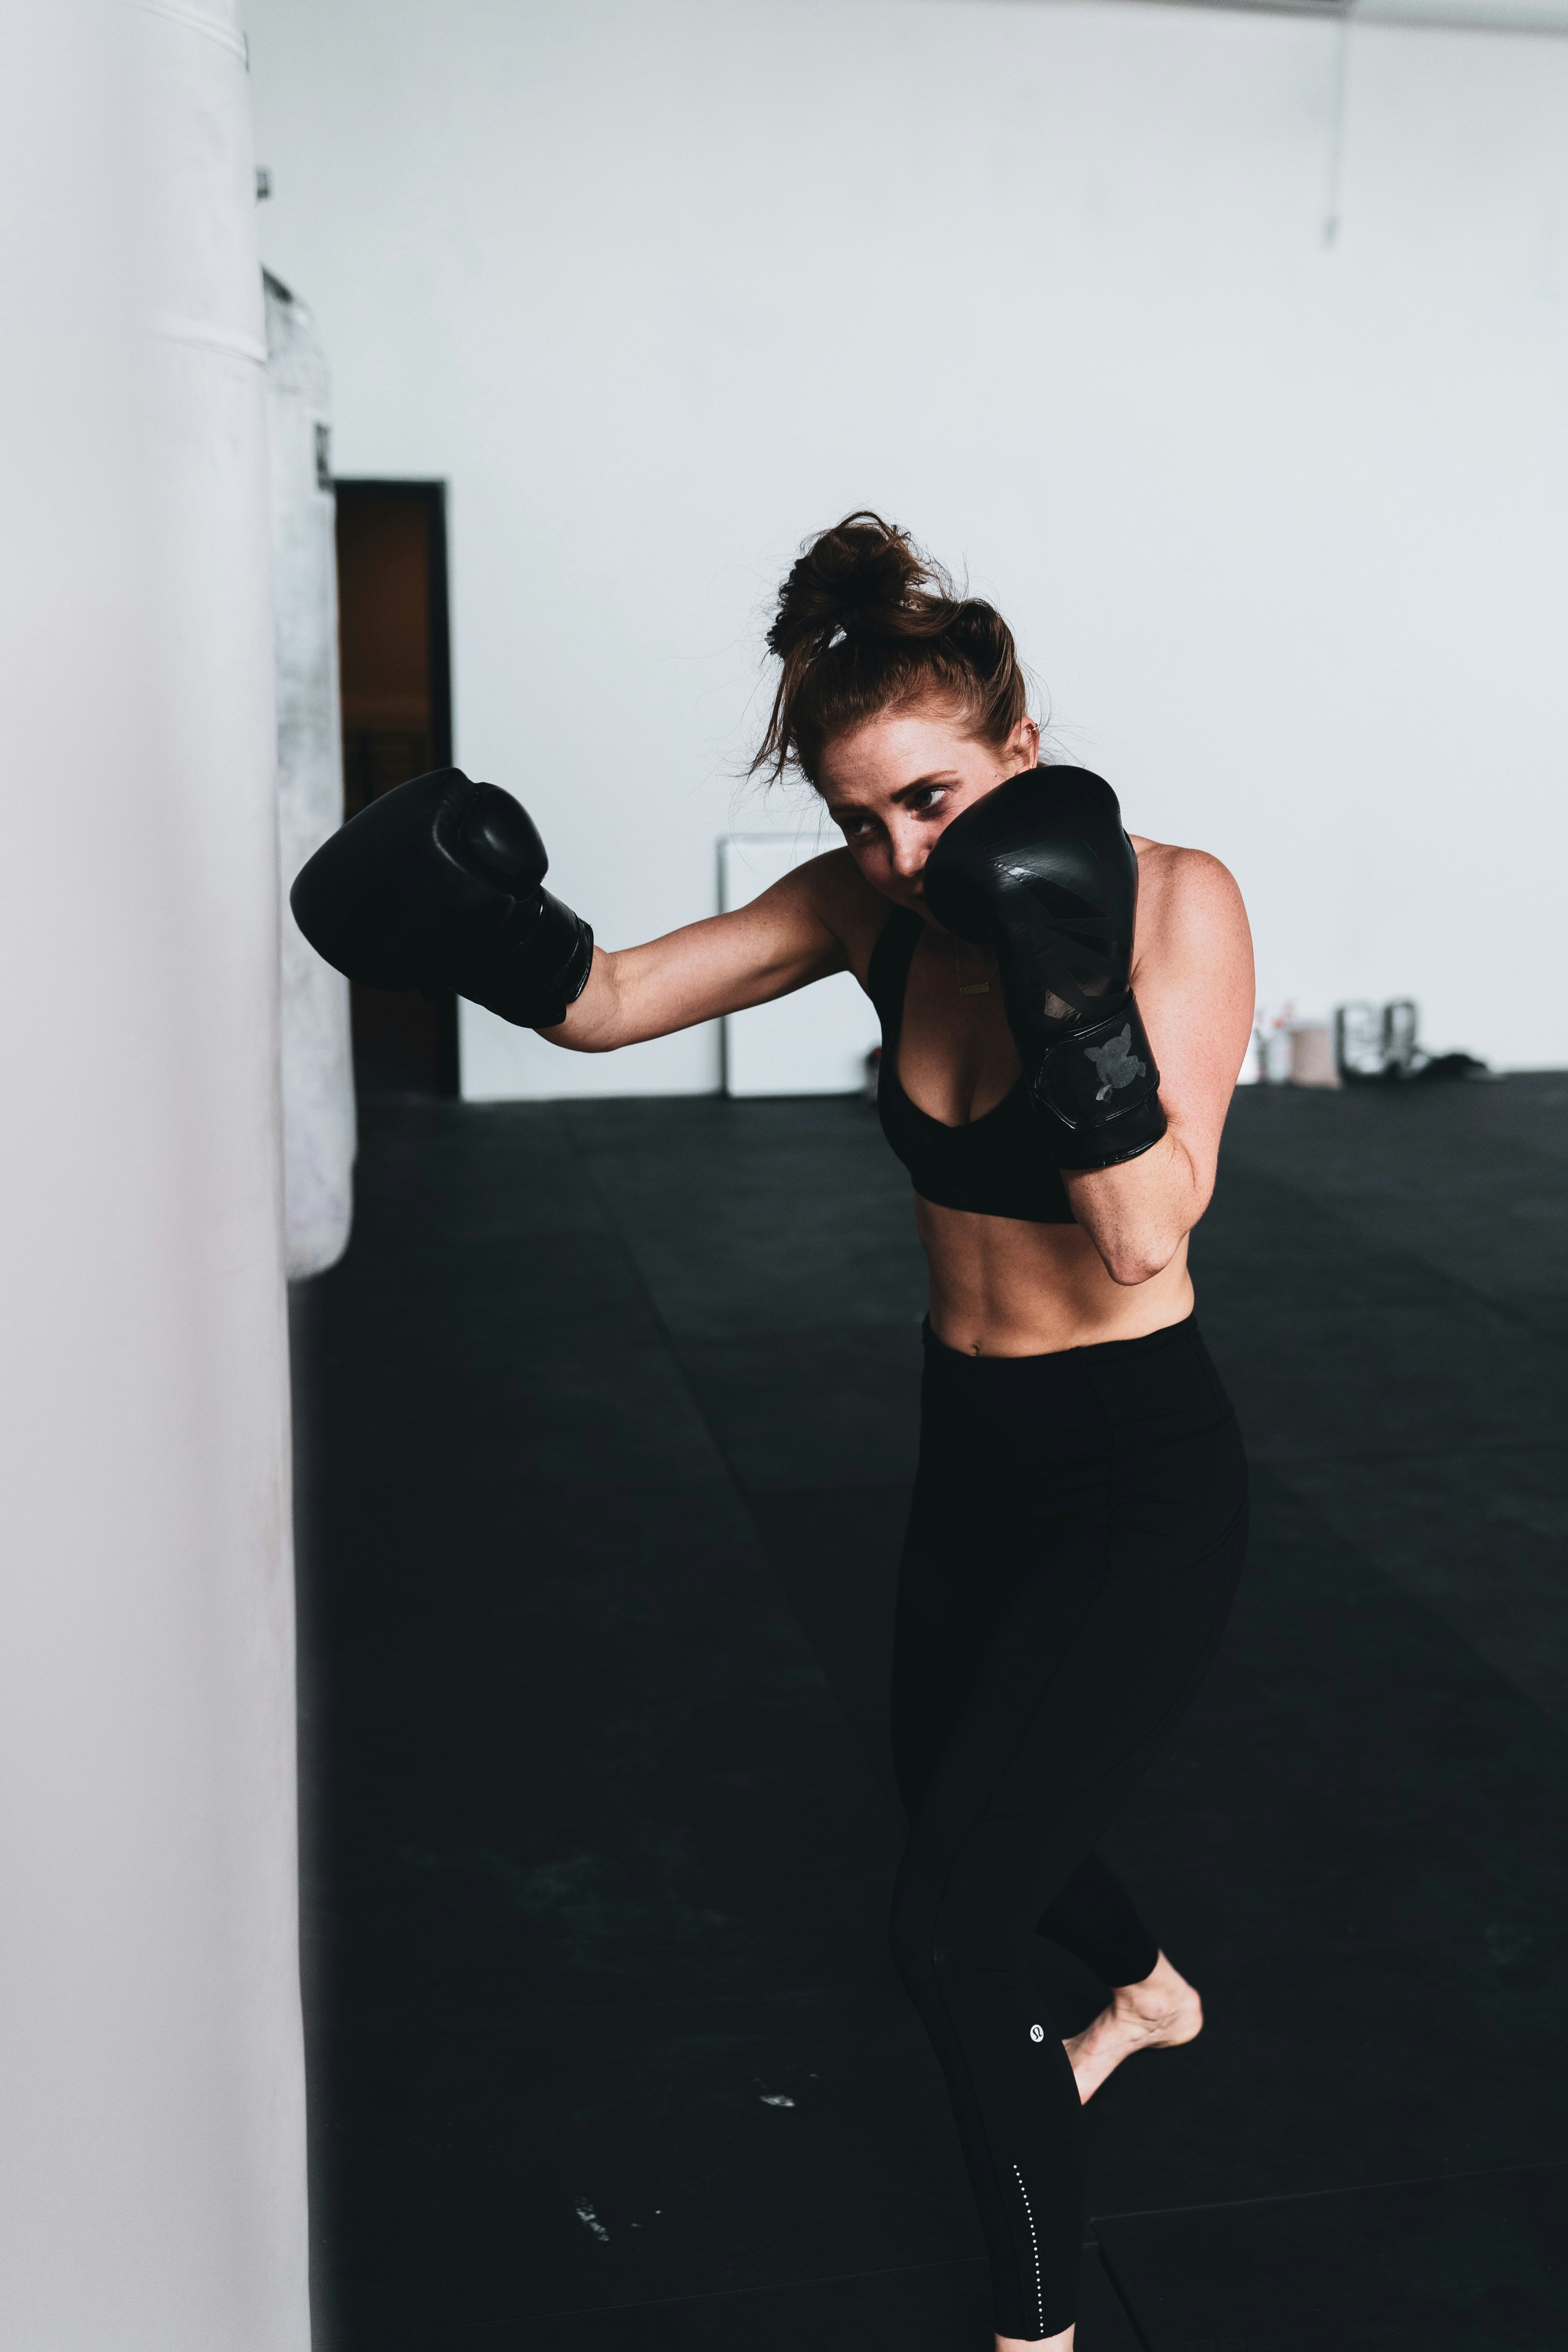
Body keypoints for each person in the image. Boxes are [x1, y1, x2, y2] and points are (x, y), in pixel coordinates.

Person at [291, 512, 1255, 2350]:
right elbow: (611, 1006)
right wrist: (489, 922)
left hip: (1136, 1468)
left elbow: (1144, 1231)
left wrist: (1069, 976)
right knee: (959, 1804)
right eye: (860, 818)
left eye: (941, 802)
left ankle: (1040, 2328)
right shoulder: (862, 911)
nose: (904, 855)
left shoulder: (1176, 900)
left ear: (1027, 760)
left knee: (952, 1929)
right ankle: (1148, 1996)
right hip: (970, 1444)